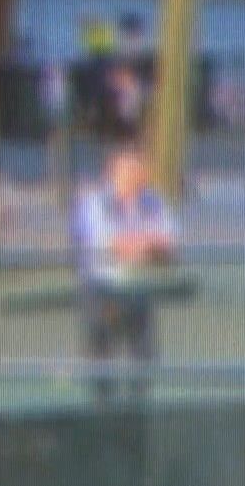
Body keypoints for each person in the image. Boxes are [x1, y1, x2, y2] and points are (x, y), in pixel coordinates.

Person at [69, 143, 177, 403]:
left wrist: (136, 245)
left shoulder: (153, 201)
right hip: (102, 288)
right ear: (113, 173)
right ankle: (101, 407)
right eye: (130, 171)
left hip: (138, 287)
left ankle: (137, 408)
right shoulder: (93, 203)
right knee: (101, 353)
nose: (138, 176)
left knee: (144, 354)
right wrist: (143, 244)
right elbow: (104, 243)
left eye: (140, 171)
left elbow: (168, 241)